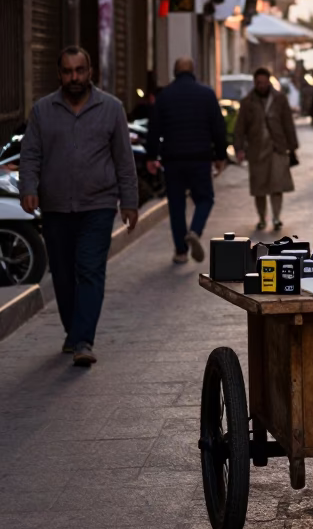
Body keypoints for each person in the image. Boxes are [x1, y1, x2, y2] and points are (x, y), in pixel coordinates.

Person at [18, 45, 139, 367]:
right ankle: (74, 332)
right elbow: (30, 154)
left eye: (80, 70)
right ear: (59, 75)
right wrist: (28, 188)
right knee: (62, 274)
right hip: (56, 207)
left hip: (97, 205)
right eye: (68, 71)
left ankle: (84, 339)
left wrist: (129, 202)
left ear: (90, 73)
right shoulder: (43, 110)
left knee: (89, 270)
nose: (74, 77)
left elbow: (124, 161)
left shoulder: (111, 108)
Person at [146, 57, 228, 265]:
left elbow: (154, 129)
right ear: (194, 71)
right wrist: (220, 156)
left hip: (172, 159)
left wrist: (151, 156)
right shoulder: (207, 94)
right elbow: (218, 127)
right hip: (200, 157)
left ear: (175, 72)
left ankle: (181, 252)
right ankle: (195, 230)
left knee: (176, 205)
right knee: (205, 198)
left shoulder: (164, 96)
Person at [233, 69, 298, 231]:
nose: (260, 85)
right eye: (258, 83)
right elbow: (240, 127)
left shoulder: (279, 99)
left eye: (263, 82)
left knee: (277, 186)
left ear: (269, 82)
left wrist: (292, 147)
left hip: (277, 148)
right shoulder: (248, 102)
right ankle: (262, 217)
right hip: (257, 150)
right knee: (259, 187)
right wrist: (239, 148)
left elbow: (287, 123)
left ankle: (276, 217)